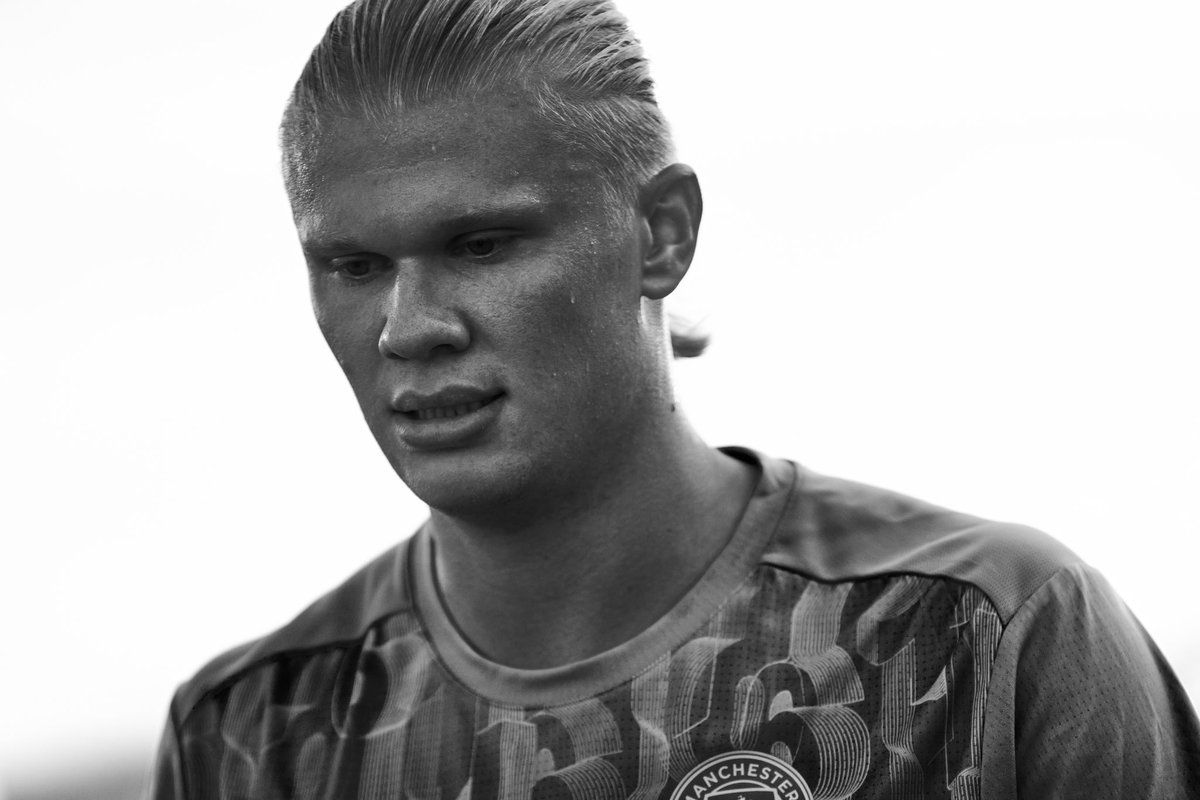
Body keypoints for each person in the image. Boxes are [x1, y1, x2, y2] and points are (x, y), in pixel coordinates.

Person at [146, 1, 1200, 797]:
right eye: (355, 265)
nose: (409, 326)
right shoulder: (251, 736)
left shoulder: (986, 632)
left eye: (481, 244)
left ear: (661, 234)